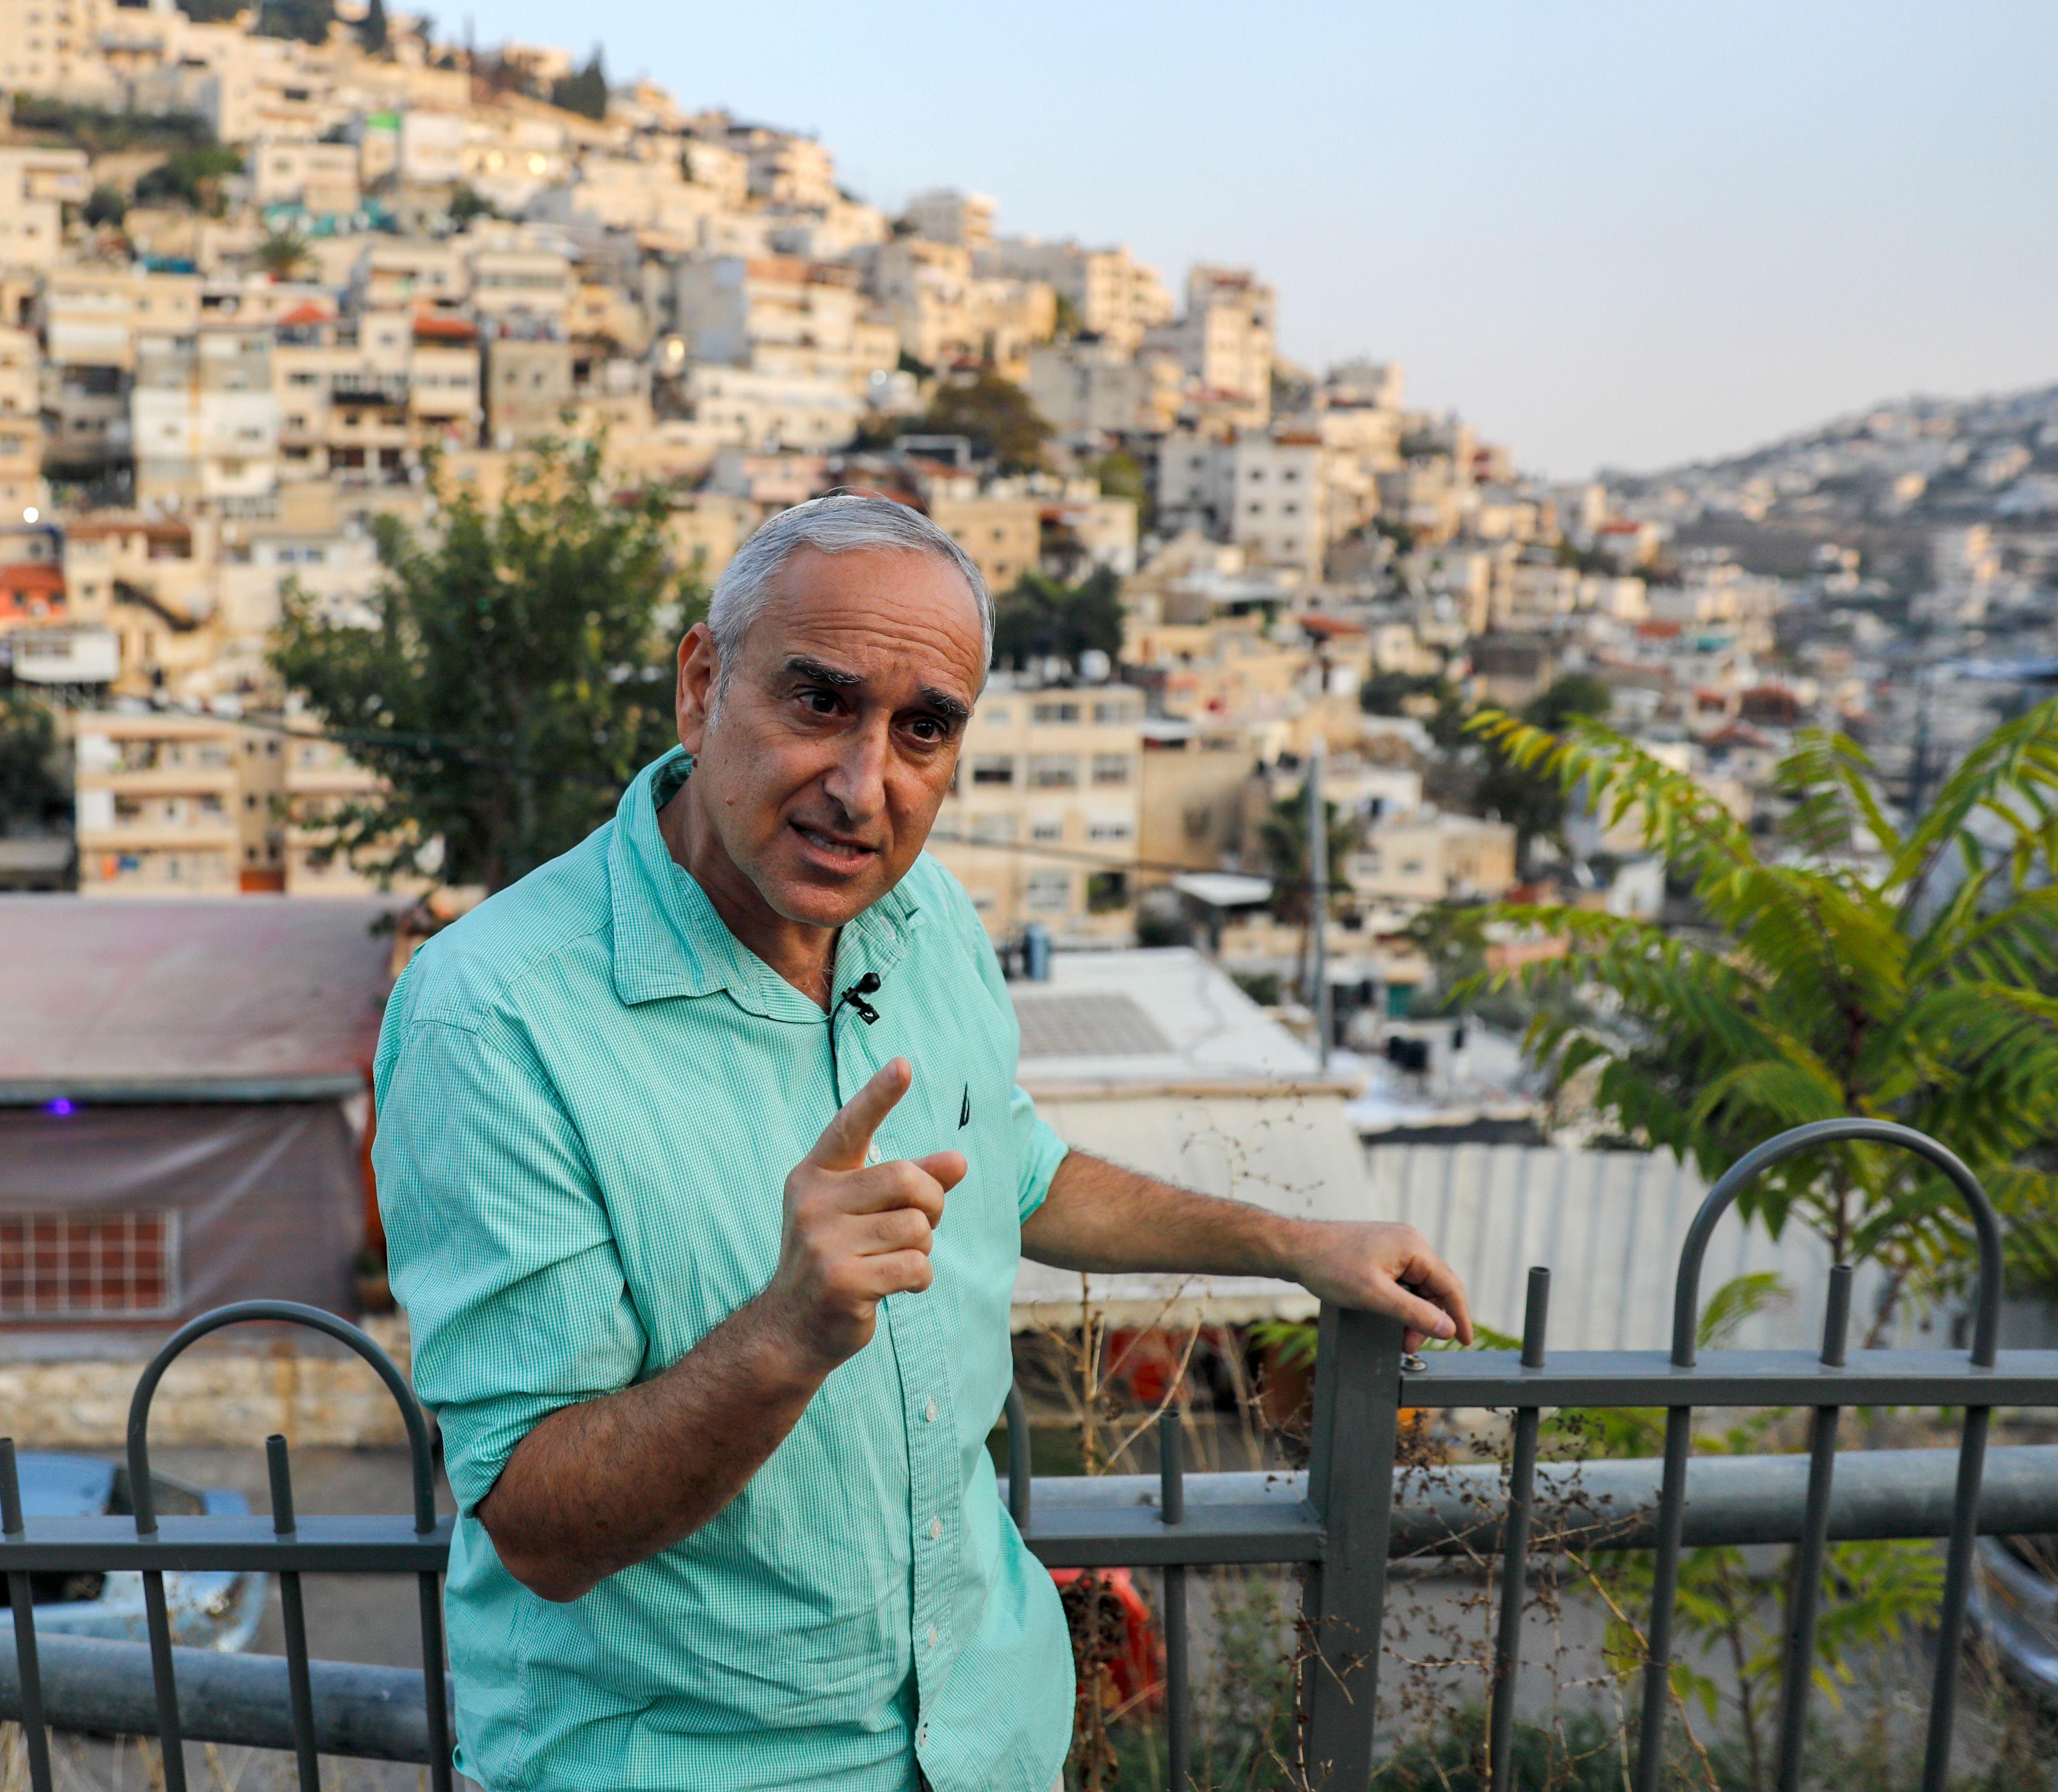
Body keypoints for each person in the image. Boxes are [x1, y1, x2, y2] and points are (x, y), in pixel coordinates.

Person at [372, 494, 1473, 1792]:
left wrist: (1292, 1246)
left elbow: (1015, 1169)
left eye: (922, 730)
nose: (863, 787)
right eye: (819, 701)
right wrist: (787, 1333)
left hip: (985, 1737)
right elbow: (540, 1529)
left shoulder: (926, 917)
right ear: (701, 684)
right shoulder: (491, 1014)